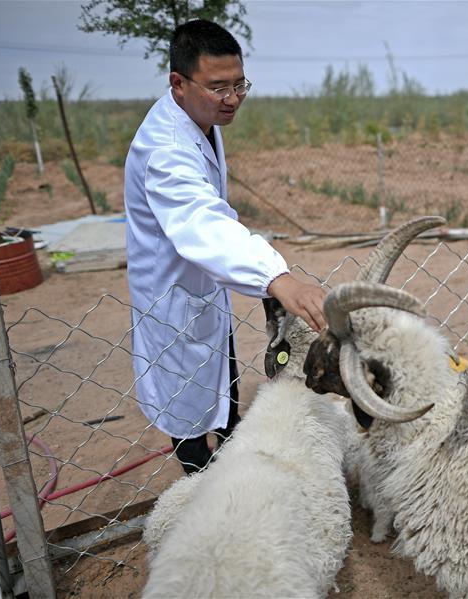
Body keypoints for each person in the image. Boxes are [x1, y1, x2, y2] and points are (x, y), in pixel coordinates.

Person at [124, 19, 326, 474]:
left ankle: (235, 460)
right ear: (178, 83)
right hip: (174, 302)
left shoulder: (199, 121)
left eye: (239, 85)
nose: (232, 99)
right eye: (218, 88)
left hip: (204, 292)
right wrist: (278, 279)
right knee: (189, 418)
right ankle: (202, 482)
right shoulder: (166, 149)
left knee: (224, 388)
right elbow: (203, 222)